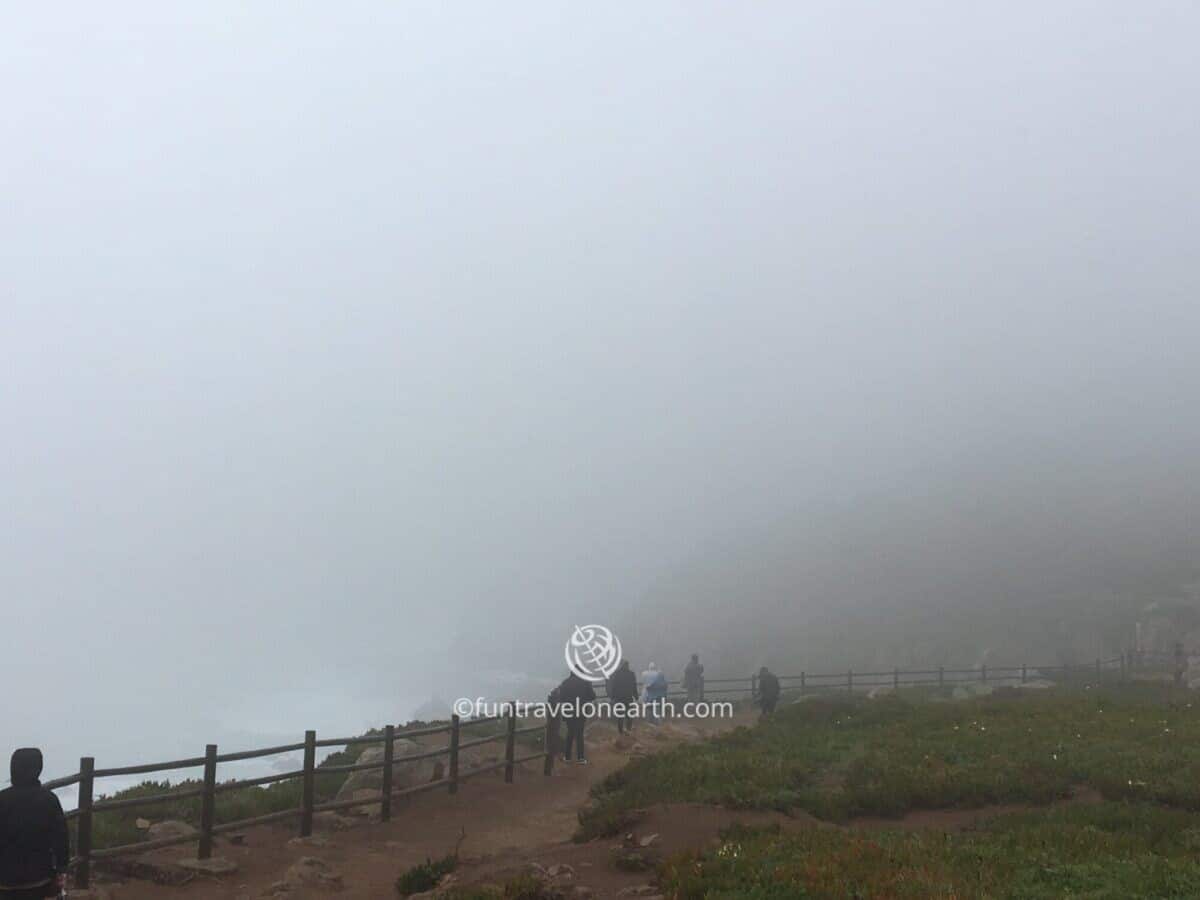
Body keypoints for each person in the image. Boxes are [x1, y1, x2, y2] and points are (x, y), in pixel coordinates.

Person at [0, 748, 70, 899]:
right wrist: (61, 869)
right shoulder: (49, 799)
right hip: (39, 878)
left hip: (4, 879)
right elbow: (61, 838)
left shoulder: (2, 799)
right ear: (38, 769)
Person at [555, 670, 596, 764]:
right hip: (581, 711)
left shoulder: (565, 682)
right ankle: (580, 758)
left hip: (569, 711)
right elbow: (593, 696)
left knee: (570, 733)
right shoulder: (585, 682)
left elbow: (561, 698)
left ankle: (567, 757)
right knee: (579, 734)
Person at [607, 659, 638, 735]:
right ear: (627, 666)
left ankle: (620, 732)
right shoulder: (631, 674)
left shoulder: (616, 674)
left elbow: (613, 686)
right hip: (628, 698)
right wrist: (636, 695)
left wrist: (612, 696)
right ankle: (628, 730)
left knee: (620, 716)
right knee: (629, 716)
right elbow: (634, 686)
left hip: (619, 698)